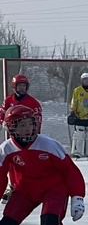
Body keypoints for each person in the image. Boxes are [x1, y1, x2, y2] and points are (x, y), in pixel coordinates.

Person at [2, 74, 43, 203]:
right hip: (13, 138)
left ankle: (32, 184)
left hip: (28, 138)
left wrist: (35, 133)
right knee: (11, 162)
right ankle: (13, 185)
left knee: (28, 160)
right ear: (14, 86)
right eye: (19, 85)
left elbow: (38, 119)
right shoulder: (8, 100)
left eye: (24, 86)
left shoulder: (33, 102)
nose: (22, 88)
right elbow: (2, 112)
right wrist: (3, 122)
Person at [68, 72, 88, 160]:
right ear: (82, 80)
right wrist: (72, 112)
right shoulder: (77, 90)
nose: (87, 81)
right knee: (79, 134)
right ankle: (77, 153)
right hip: (80, 116)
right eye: (85, 80)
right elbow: (74, 101)